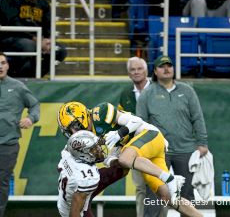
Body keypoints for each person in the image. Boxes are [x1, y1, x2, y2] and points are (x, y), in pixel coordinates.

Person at [57, 101, 203, 217]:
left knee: (125, 158)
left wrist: (120, 133)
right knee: (169, 197)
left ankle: (169, 178)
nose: (73, 132)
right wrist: (112, 161)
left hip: (149, 135)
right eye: (68, 131)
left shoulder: (100, 113)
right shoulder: (86, 141)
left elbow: (137, 122)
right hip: (140, 156)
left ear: (82, 116)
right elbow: (111, 161)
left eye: (74, 127)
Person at [136, 55, 209, 209]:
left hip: (186, 150)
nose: (166, 68)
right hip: (158, 152)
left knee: (187, 197)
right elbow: (140, 123)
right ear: (155, 71)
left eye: (169, 65)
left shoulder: (187, 90)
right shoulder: (147, 93)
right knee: (155, 195)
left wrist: (202, 143)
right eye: (162, 66)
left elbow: (198, 117)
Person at [0, 51, 40, 217]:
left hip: (7, 145)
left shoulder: (17, 87)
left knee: (1, 182)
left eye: (2, 63)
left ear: (8, 65)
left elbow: (35, 105)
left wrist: (31, 118)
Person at [118, 56, 154, 217]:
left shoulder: (158, 89)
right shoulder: (125, 94)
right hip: (136, 148)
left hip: (157, 145)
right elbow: (121, 122)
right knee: (140, 187)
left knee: (160, 186)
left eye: (139, 69)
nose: (136, 72)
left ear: (146, 71)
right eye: (133, 69)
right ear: (128, 73)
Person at [0, 0, 67, 77]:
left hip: (37, 39)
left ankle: (34, 76)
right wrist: (33, 38)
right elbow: (11, 23)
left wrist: (47, 40)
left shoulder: (43, 3)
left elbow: (47, 26)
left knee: (59, 51)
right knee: (29, 46)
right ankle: (18, 76)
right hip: (12, 37)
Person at [57, 130, 106, 217]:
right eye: (93, 149)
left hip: (64, 199)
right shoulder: (87, 178)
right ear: (83, 154)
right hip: (73, 211)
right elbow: (74, 212)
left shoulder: (68, 153)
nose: (99, 149)